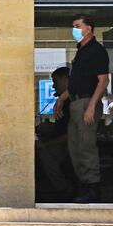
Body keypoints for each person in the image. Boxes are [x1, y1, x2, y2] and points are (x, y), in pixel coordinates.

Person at [55, 14, 110, 203]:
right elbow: (76, 82)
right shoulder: (81, 51)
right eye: (73, 26)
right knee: (74, 147)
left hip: (87, 102)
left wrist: (92, 107)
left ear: (89, 28)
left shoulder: (97, 50)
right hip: (77, 103)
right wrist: (62, 99)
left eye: (78, 26)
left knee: (86, 148)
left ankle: (93, 190)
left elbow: (103, 81)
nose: (75, 30)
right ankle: (84, 187)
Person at [35, 66, 73, 202]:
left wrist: (46, 144)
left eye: (55, 82)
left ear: (65, 81)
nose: (53, 86)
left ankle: (63, 191)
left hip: (67, 146)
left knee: (44, 155)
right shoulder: (64, 102)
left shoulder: (71, 102)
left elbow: (70, 134)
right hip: (61, 141)